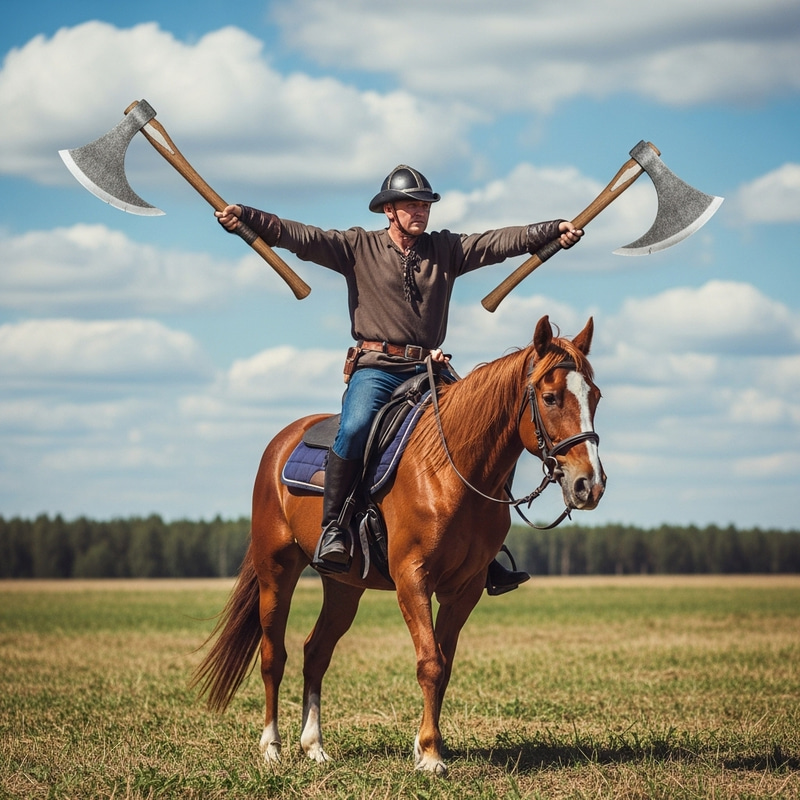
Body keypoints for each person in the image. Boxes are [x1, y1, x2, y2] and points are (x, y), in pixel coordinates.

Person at [216, 165, 583, 592]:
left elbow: (496, 243)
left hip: (430, 370)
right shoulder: (356, 247)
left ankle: (485, 551)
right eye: (411, 205)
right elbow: (304, 238)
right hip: (377, 369)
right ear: (388, 210)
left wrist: (549, 230)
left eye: (424, 206)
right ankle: (335, 528)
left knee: (487, 429)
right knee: (353, 429)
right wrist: (248, 218)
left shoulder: (446, 250)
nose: (420, 212)